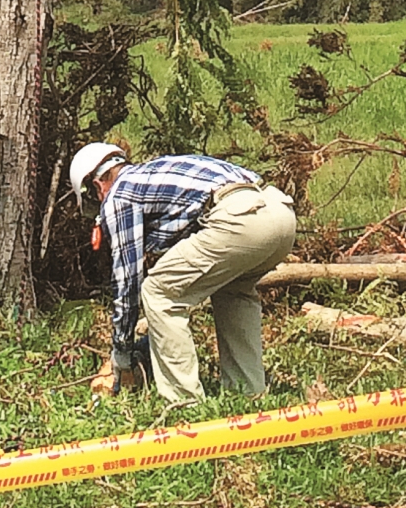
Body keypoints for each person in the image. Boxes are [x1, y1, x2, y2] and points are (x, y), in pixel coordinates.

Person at [70, 141, 297, 406]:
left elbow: (127, 282)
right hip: (280, 212)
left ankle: (184, 403)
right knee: (233, 291)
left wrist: (121, 352)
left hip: (240, 219)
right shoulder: (155, 173)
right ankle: (248, 395)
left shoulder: (119, 195)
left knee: (159, 292)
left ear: (97, 185)